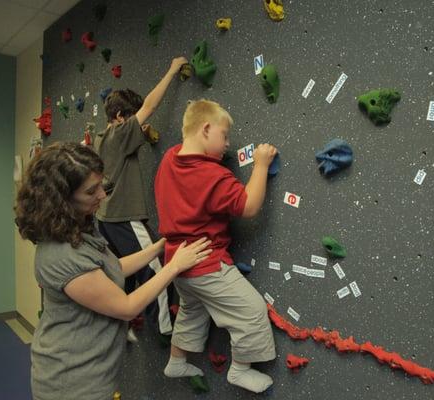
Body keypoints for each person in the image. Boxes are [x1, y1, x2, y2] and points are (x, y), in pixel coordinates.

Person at [14, 142, 212, 400]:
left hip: (90, 372)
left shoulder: (77, 227)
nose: (102, 196)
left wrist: (158, 248)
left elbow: (112, 269)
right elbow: (127, 306)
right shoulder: (60, 254)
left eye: (100, 185)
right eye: (91, 191)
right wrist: (174, 266)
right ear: (62, 200)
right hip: (71, 382)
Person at [154, 99, 278, 393]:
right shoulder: (213, 174)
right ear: (206, 129)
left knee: (191, 311)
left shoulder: (169, 159)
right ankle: (240, 369)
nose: (227, 145)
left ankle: (177, 359)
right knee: (251, 312)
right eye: (224, 136)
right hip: (207, 263)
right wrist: (260, 165)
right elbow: (248, 206)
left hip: (177, 265)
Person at [94, 56, 188, 342]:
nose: (141, 121)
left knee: (121, 273)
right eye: (133, 117)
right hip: (125, 216)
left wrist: (144, 136)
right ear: (121, 117)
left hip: (105, 219)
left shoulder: (101, 137)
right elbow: (150, 105)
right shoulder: (122, 131)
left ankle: (119, 325)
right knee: (154, 268)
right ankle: (165, 331)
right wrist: (172, 69)